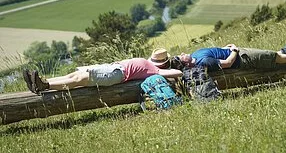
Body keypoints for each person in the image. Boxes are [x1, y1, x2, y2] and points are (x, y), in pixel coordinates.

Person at [23, 55, 182, 95]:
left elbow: (178, 72)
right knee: (75, 74)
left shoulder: (156, 70)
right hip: (111, 68)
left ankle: (45, 86)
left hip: (116, 74)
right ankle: (40, 81)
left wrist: (180, 63)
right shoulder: (149, 62)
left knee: (79, 79)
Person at [170, 38, 286, 71]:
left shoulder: (196, 54)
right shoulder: (203, 63)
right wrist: (234, 50)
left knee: (267, 54)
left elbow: (215, 52)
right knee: (270, 57)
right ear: (184, 63)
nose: (183, 53)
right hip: (241, 59)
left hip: (238, 52)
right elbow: (227, 63)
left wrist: (224, 47)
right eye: (180, 56)